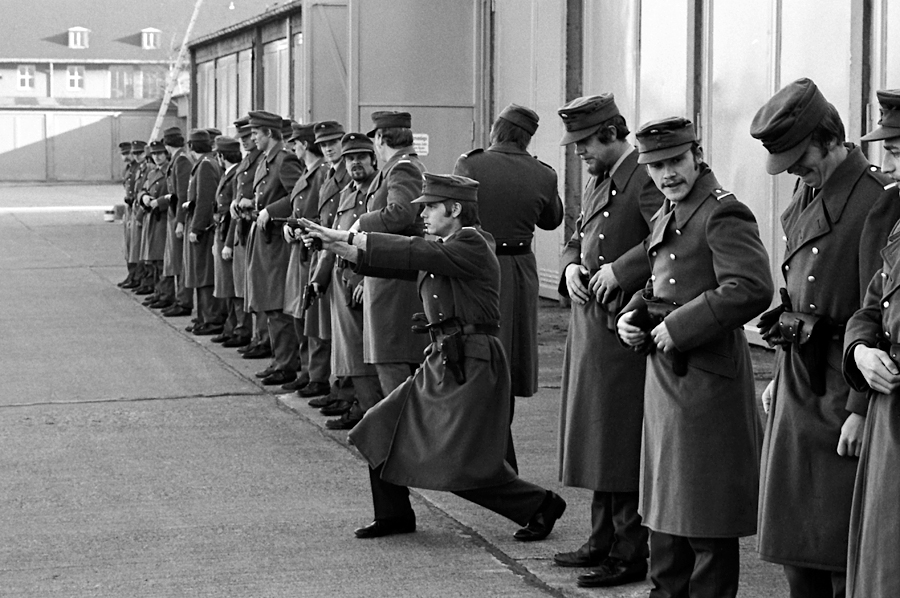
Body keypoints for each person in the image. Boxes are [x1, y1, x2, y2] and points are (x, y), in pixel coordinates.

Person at [302, 173, 567, 541]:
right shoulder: (446, 246)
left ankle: (540, 505)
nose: (422, 214)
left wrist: (346, 235)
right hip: (443, 359)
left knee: (456, 463)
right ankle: (394, 514)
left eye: (430, 207)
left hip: (471, 364)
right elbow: (400, 262)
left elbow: (414, 251)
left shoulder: (473, 241)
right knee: (378, 429)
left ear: (455, 209)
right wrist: (333, 245)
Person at [750, 78, 900, 598]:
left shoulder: (875, 199)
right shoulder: (809, 189)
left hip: (842, 387)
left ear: (829, 138)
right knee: (797, 548)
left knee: (836, 546)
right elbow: (796, 295)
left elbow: (875, 309)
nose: (795, 170)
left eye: (800, 158)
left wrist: (859, 409)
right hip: (801, 378)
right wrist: (779, 373)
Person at [616, 117, 773, 598]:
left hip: (706, 382)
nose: (667, 174)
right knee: (665, 509)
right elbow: (660, 279)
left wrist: (679, 327)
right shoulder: (670, 210)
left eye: (675, 161)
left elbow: (751, 287)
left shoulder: (723, 212)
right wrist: (633, 313)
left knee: (705, 514)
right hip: (667, 379)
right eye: (656, 166)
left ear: (696, 156)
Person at [552, 94, 664, 587]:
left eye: (584, 143)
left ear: (612, 133)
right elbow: (579, 235)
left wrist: (620, 270)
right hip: (593, 327)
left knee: (620, 440)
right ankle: (601, 538)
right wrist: (570, 267)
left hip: (623, 326)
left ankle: (628, 550)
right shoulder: (601, 177)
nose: (579, 153)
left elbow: (665, 237)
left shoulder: (644, 176)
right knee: (599, 438)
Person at [453, 103, 563, 471]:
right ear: (527, 138)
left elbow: (453, 212)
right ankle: (498, 444)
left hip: (475, 263)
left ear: (496, 130)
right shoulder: (543, 174)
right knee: (509, 357)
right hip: (518, 271)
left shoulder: (471, 165)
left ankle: (481, 450)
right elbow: (552, 220)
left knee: (471, 352)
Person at [842, 88, 900, 598]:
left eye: (898, 152)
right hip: (889, 412)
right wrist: (861, 352)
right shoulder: (897, 218)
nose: (890, 165)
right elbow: (872, 306)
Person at [350, 111, 428, 400]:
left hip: (394, 280)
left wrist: (362, 223)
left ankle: (401, 427)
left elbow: (401, 212)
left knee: (391, 361)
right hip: (390, 275)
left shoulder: (402, 168)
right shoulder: (400, 167)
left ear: (381, 138)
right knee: (390, 360)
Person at [308, 132, 382, 430]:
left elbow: (384, 241)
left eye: (361, 157)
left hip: (361, 279)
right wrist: (320, 278)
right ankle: (359, 405)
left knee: (363, 353)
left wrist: (369, 278)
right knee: (349, 352)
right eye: (350, 159)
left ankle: (370, 413)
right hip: (341, 277)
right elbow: (333, 236)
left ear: (373, 159)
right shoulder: (347, 193)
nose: (355, 164)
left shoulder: (378, 194)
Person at [244, 110, 303, 386]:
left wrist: (271, 209)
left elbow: (298, 195)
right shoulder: (267, 159)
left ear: (269, 133)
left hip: (277, 241)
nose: (253, 138)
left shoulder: (284, 160)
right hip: (266, 238)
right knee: (269, 303)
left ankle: (286, 364)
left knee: (277, 304)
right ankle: (279, 359)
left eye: (256, 133)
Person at [298, 120, 351, 402]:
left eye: (333, 143)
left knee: (339, 327)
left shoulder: (347, 175)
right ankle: (326, 381)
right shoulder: (330, 174)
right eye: (324, 144)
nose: (329, 148)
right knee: (321, 320)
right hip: (323, 250)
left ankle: (340, 387)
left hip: (339, 252)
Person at [281, 122, 325, 391]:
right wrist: (290, 225)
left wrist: (302, 227)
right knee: (300, 311)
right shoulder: (309, 172)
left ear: (305, 144)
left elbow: (321, 213)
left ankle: (316, 374)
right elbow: (297, 208)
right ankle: (308, 370)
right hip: (301, 249)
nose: (293, 147)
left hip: (313, 250)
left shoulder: (321, 173)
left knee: (310, 314)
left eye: (295, 143)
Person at [227, 116, 265, 350]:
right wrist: (235, 202)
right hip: (243, 223)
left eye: (249, 136)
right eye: (241, 138)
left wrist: (249, 202)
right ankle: (253, 335)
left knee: (256, 285)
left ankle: (259, 336)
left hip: (255, 222)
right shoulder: (248, 160)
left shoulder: (262, 159)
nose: (245, 141)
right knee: (246, 284)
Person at [183, 129, 226, 336]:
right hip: (204, 224)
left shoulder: (206, 165)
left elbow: (205, 199)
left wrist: (196, 227)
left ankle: (211, 319)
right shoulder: (207, 163)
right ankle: (203, 317)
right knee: (199, 273)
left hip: (204, 228)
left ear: (191, 146)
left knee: (204, 274)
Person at [210, 136, 248, 345]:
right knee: (226, 286)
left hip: (228, 233)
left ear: (221, 156)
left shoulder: (235, 175)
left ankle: (240, 329)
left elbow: (234, 214)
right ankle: (231, 327)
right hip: (221, 230)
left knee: (234, 287)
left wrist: (227, 244)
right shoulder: (229, 174)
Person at [159, 127, 195, 317]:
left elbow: (183, 194)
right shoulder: (179, 159)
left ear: (167, 144)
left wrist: (180, 221)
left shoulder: (181, 161)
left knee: (181, 260)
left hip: (179, 215)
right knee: (176, 259)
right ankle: (180, 299)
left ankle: (183, 301)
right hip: (174, 214)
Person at [137, 139, 170, 307]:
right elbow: (142, 189)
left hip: (163, 218)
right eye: (154, 154)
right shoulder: (152, 173)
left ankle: (166, 294)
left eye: (160, 153)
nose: (157, 157)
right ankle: (158, 292)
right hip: (151, 218)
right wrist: (143, 197)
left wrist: (160, 202)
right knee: (154, 259)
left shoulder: (169, 172)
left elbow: (175, 194)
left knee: (162, 258)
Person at [128, 141, 151, 294]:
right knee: (136, 247)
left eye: (140, 153)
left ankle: (146, 281)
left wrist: (139, 214)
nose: (137, 156)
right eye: (135, 153)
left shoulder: (149, 169)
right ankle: (139, 278)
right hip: (136, 208)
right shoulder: (139, 169)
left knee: (144, 249)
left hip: (144, 211)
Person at [117, 141, 138, 288]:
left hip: (137, 206)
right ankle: (131, 275)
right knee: (129, 245)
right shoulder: (128, 169)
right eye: (123, 154)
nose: (126, 157)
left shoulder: (139, 168)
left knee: (135, 245)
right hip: (129, 207)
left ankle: (137, 276)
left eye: (128, 153)